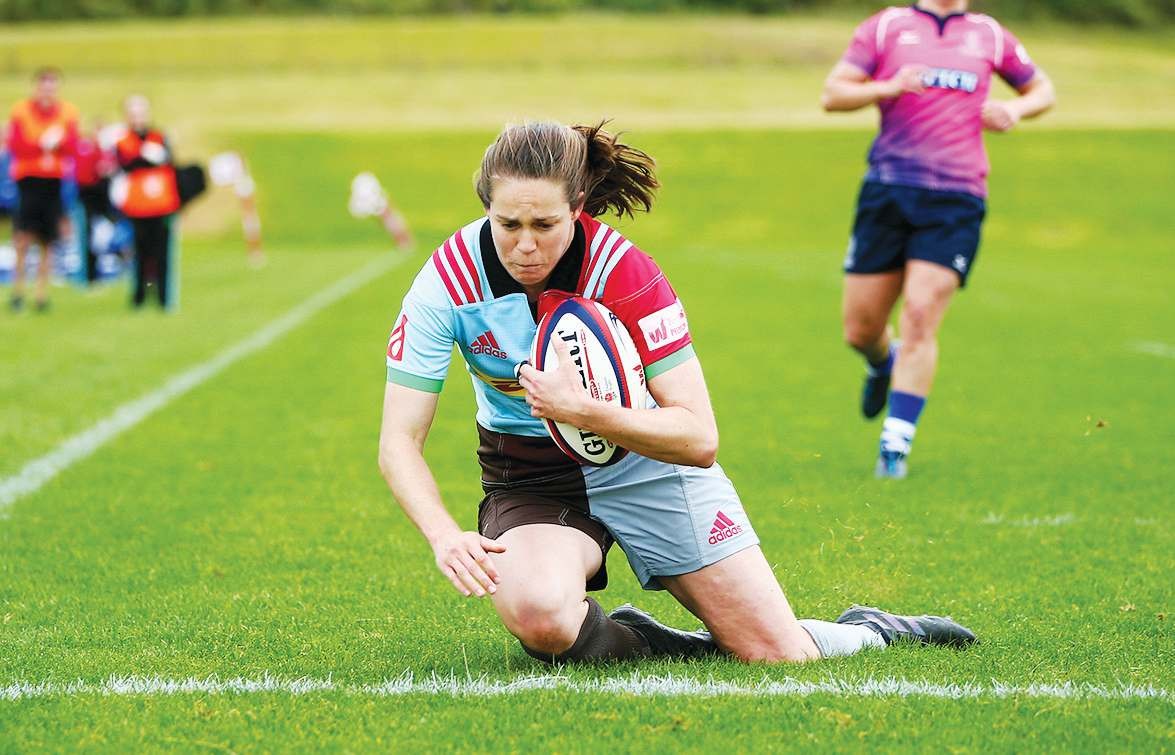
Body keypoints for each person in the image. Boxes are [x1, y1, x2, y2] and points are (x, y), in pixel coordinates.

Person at [378, 121, 976, 665]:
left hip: (648, 461)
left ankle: (873, 630)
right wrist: (443, 534)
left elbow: (698, 437)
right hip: (532, 477)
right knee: (541, 616)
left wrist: (585, 411)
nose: (525, 246)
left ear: (578, 208)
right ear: (486, 208)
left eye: (545, 226)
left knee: (777, 653)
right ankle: (650, 641)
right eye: (508, 225)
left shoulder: (623, 271)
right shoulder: (447, 281)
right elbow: (398, 442)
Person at [822, 1, 1055, 478]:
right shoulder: (887, 27)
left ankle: (894, 447)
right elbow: (833, 94)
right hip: (888, 190)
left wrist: (1014, 109)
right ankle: (882, 363)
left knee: (920, 313)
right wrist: (888, 87)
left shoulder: (989, 34)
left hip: (957, 197)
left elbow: (1042, 90)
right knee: (860, 330)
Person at [6, 67, 79, 312]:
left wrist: (57, 144)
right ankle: (18, 291)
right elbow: (16, 145)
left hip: (52, 181)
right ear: (37, 87)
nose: (48, 91)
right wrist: (41, 144)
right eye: (44, 86)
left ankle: (40, 294)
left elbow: (72, 145)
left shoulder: (67, 112)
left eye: (52, 87)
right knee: (22, 237)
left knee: (48, 239)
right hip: (29, 181)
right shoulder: (21, 111)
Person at [114, 95, 179, 309]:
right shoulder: (124, 140)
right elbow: (124, 164)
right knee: (140, 253)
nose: (138, 119)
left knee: (162, 253)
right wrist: (144, 157)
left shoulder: (159, 137)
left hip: (161, 204)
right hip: (137, 207)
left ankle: (163, 297)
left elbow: (170, 161)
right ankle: (139, 296)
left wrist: (157, 157)